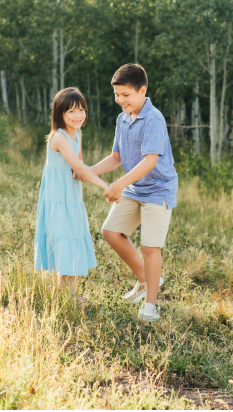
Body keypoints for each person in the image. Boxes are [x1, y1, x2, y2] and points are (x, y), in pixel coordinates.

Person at [89, 63, 178, 324]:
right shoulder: (122, 118)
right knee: (110, 231)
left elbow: (150, 160)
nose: (120, 100)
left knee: (150, 247)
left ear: (142, 91)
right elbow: (116, 157)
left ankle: (151, 305)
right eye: (116, 94)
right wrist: (88, 171)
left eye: (125, 95)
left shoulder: (153, 119)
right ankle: (145, 279)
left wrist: (117, 185)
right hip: (134, 186)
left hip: (158, 190)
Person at [33, 88, 108, 294]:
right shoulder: (59, 137)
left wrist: (79, 171)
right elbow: (80, 166)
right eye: (71, 112)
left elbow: (79, 163)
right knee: (64, 239)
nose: (78, 116)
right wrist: (106, 186)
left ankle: (69, 293)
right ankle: (65, 295)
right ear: (60, 113)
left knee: (73, 238)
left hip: (72, 196)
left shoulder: (77, 133)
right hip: (58, 197)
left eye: (81, 110)